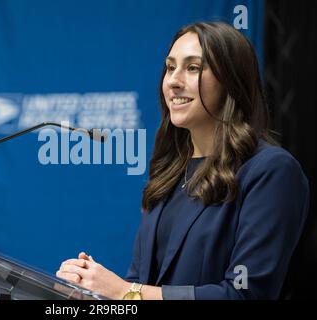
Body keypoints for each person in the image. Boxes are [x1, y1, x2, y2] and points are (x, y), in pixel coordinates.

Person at [56, 22, 309, 300]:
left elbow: (245, 295)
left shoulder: (270, 171)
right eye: (170, 67)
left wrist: (124, 291)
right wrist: (94, 294)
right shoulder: (168, 173)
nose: (174, 81)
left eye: (193, 68)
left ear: (230, 81)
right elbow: (140, 286)